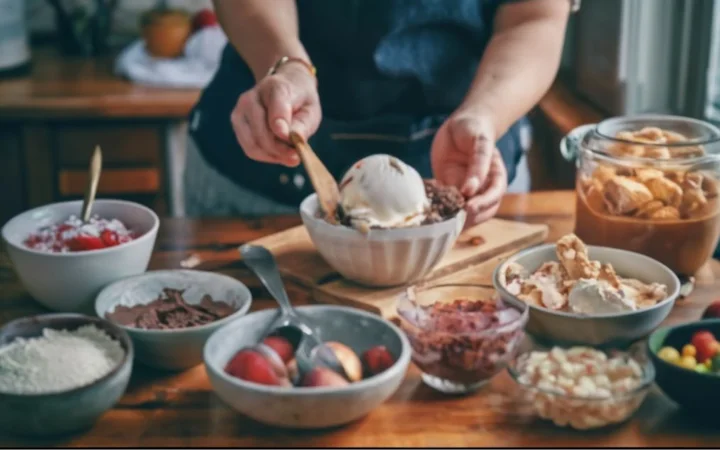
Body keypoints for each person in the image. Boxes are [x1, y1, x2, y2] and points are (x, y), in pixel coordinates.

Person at [184, 0, 578, 225]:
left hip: (460, 169)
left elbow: (534, 15)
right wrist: (284, 64)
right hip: (259, 183)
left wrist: (486, 114)